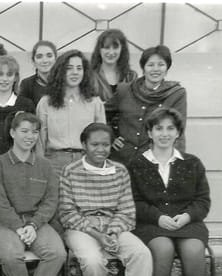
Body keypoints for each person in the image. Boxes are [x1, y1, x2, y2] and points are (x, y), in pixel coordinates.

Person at [59, 123, 151, 276]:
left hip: (113, 226)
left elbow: (126, 211)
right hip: (82, 227)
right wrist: (98, 235)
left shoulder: (120, 171)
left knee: (141, 254)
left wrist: (112, 232)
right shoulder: (71, 171)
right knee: (92, 259)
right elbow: (67, 213)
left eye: (105, 145)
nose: (100, 149)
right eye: (95, 144)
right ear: (84, 145)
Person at [127, 108, 210, 276]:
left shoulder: (192, 163)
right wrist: (158, 217)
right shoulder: (137, 163)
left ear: (178, 133)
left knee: (194, 249)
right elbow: (133, 201)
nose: (164, 133)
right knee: (162, 248)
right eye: (159, 128)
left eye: (170, 128)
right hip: (151, 223)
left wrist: (187, 216)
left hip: (187, 222)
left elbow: (202, 201)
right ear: (150, 133)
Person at [0, 112, 65, 276]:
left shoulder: (45, 165)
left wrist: (33, 224)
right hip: (7, 222)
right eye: (24, 131)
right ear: (12, 133)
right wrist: (18, 226)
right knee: (10, 256)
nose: (30, 136)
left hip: (37, 222)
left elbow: (50, 201)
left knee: (57, 253)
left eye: (34, 132)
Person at [106, 45, 187, 166]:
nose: (155, 69)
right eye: (150, 65)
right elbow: (102, 114)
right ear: (143, 68)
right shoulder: (125, 90)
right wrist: (110, 137)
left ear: (167, 69)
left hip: (154, 161)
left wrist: (176, 164)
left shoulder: (176, 94)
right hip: (121, 160)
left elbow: (178, 130)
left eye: (161, 65)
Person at [37, 49, 105, 177]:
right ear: (60, 71)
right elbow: (40, 140)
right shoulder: (46, 102)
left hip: (86, 162)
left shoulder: (95, 102)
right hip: (54, 164)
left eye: (79, 68)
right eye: (69, 68)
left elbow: (101, 138)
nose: (75, 72)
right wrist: (41, 167)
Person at [90, 29, 138, 104]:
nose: (111, 52)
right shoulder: (90, 76)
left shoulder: (131, 77)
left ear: (122, 49)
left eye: (115, 48)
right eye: (107, 47)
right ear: (99, 49)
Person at [18, 40, 57, 106]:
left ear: (55, 59)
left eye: (49, 56)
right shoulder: (26, 84)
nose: (45, 60)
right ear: (33, 61)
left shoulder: (64, 82)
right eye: (39, 57)